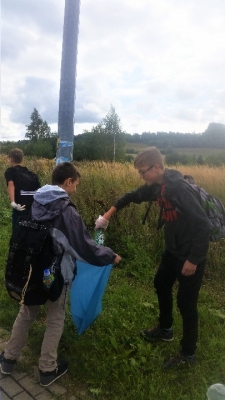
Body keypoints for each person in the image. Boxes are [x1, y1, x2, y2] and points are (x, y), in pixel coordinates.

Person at [0, 162, 121, 386]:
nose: (76, 189)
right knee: (56, 318)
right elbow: (83, 248)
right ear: (68, 181)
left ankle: (8, 360)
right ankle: (47, 369)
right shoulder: (66, 211)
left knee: (26, 313)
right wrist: (109, 255)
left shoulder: (35, 200)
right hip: (55, 274)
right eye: (76, 184)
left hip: (30, 270)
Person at [95, 146, 210, 369]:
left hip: (190, 256)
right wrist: (107, 216)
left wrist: (194, 260)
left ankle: (188, 354)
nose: (141, 176)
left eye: (143, 171)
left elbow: (203, 225)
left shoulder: (179, 190)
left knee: (186, 304)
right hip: (173, 251)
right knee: (160, 283)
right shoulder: (158, 187)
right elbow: (131, 196)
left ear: (157, 167)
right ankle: (165, 329)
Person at [4, 148, 40, 228]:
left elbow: (11, 185)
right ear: (22, 159)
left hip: (19, 207)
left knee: (17, 230)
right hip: (32, 208)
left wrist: (13, 202)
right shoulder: (31, 174)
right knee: (29, 230)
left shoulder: (10, 171)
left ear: (11, 159)